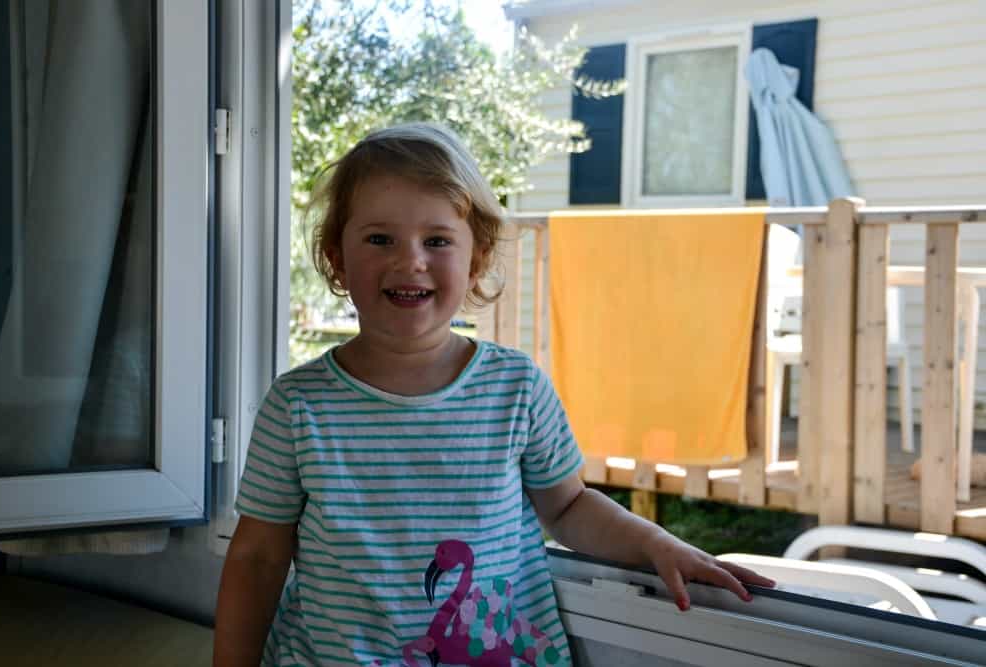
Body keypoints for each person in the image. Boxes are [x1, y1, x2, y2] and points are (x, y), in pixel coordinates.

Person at [213, 122, 775, 667]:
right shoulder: (297, 407)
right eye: (379, 239)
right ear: (337, 257)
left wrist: (657, 545)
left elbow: (570, 506)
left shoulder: (517, 388)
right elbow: (259, 557)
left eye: (437, 240)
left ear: (476, 258)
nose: (410, 260)